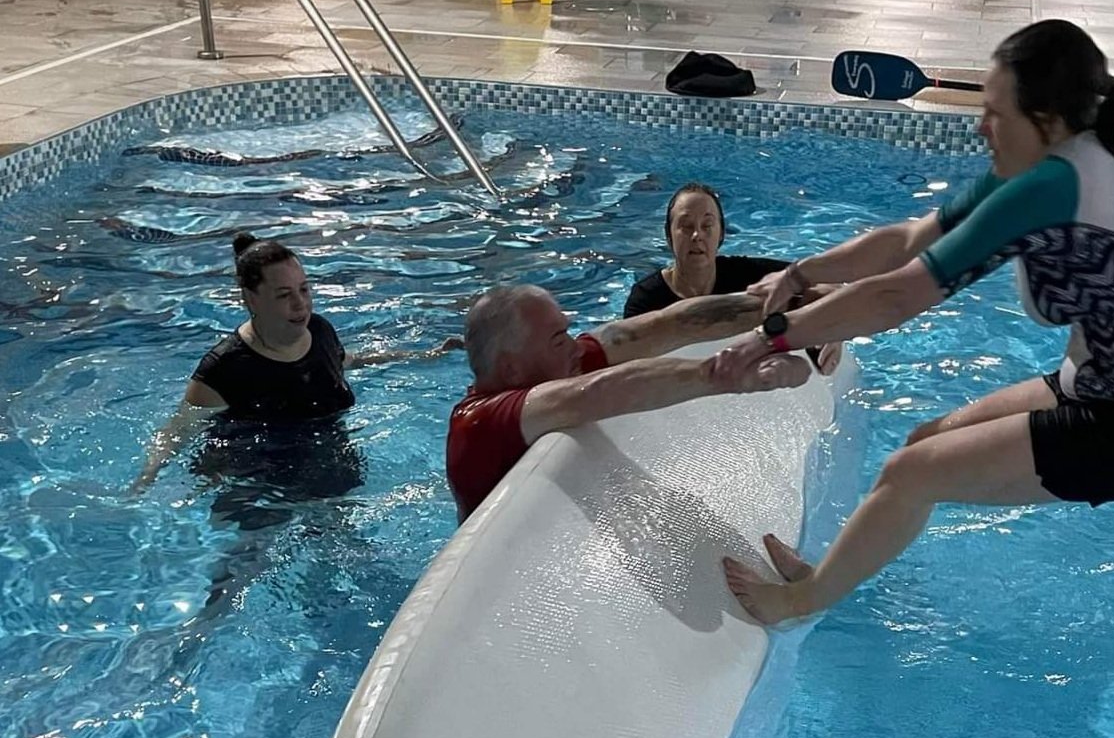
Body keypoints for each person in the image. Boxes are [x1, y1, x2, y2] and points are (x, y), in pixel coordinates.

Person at [714, 19, 1114, 626]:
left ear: (1048, 121)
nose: (981, 126)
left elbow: (897, 297)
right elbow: (908, 240)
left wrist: (773, 335)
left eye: (996, 113)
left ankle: (798, 603)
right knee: (923, 444)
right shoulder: (1045, 166)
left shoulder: (1059, 186)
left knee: (910, 474)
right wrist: (801, 271)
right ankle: (825, 577)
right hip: (1100, 385)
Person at [447, 285, 811, 523]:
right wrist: (732, 375)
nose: (576, 348)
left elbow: (669, 324)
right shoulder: (480, 423)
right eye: (559, 339)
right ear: (510, 367)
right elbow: (596, 394)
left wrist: (796, 308)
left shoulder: (556, 366)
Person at [132, 233, 457, 491]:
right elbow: (178, 431)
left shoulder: (320, 331)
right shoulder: (224, 369)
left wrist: (421, 356)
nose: (300, 304)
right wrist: (145, 482)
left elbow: (343, 362)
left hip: (330, 470)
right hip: (260, 487)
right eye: (284, 295)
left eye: (304, 290)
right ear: (250, 298)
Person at [624, 181, 841, 374]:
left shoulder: (746, 276)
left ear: (721, 234)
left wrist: (832, 327)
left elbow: (824, 280)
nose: (697, 235)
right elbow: (625, 367)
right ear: (669, 235)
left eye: (707, 226)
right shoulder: (646, 299)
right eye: (686, 226)